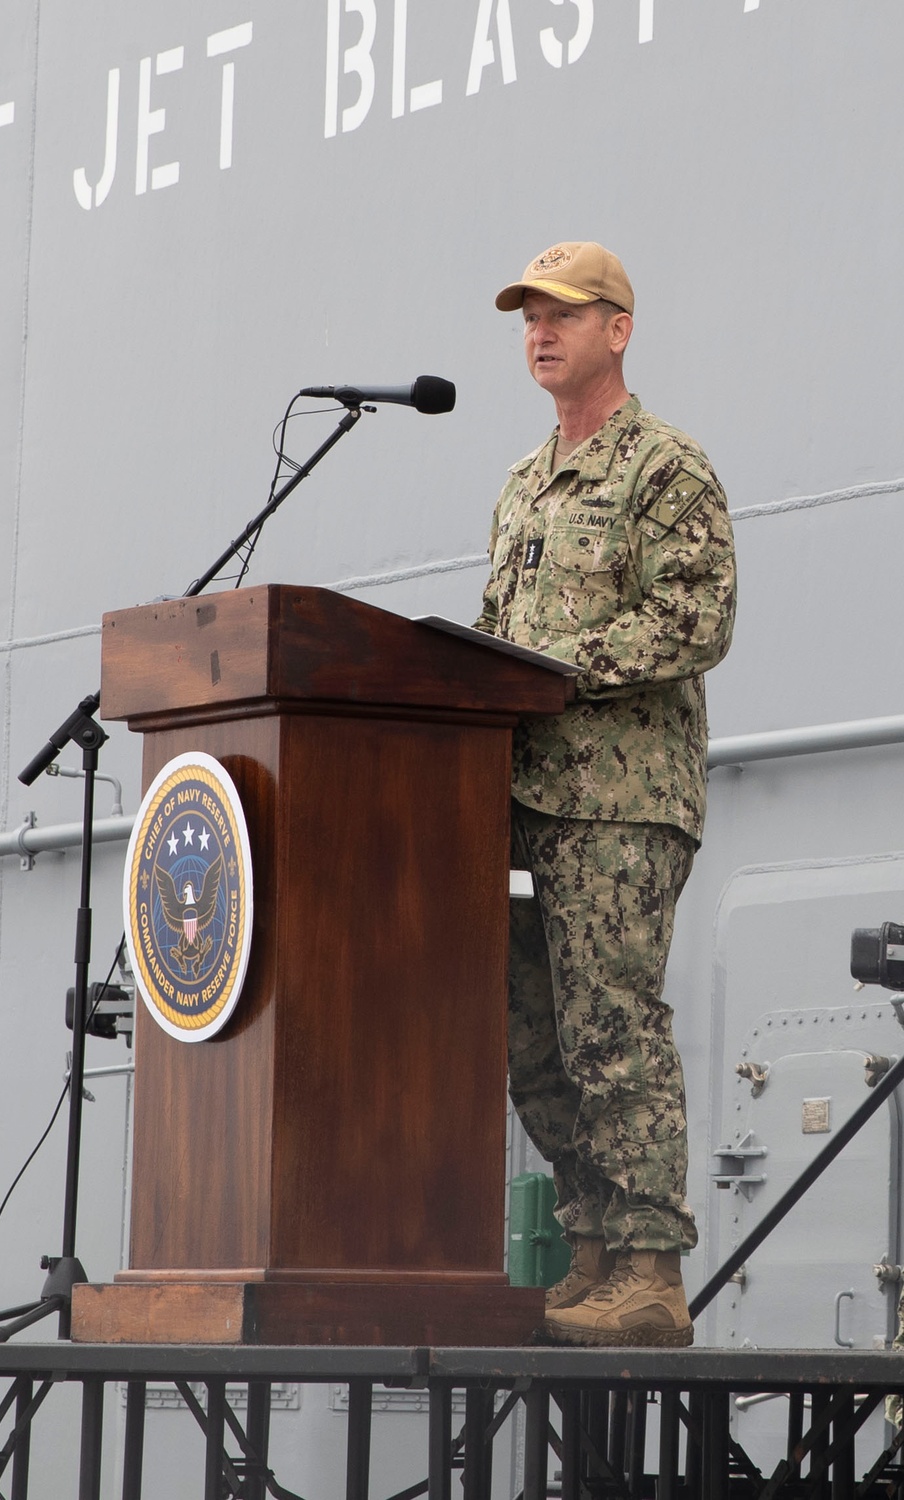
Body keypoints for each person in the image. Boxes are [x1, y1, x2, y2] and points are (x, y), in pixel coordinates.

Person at [474, 241, 736, 1347]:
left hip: (620, 803)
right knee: (529, 1039)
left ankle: (649, 1268)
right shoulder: (525, 483)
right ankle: (590, 1247)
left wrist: (557, 665)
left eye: (565, 315)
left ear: (617, 330)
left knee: (610, 1027)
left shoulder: (664, 468)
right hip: (522, 798)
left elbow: (695, 618)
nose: (541, 332)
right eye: (529, 316)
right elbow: (494, 631)